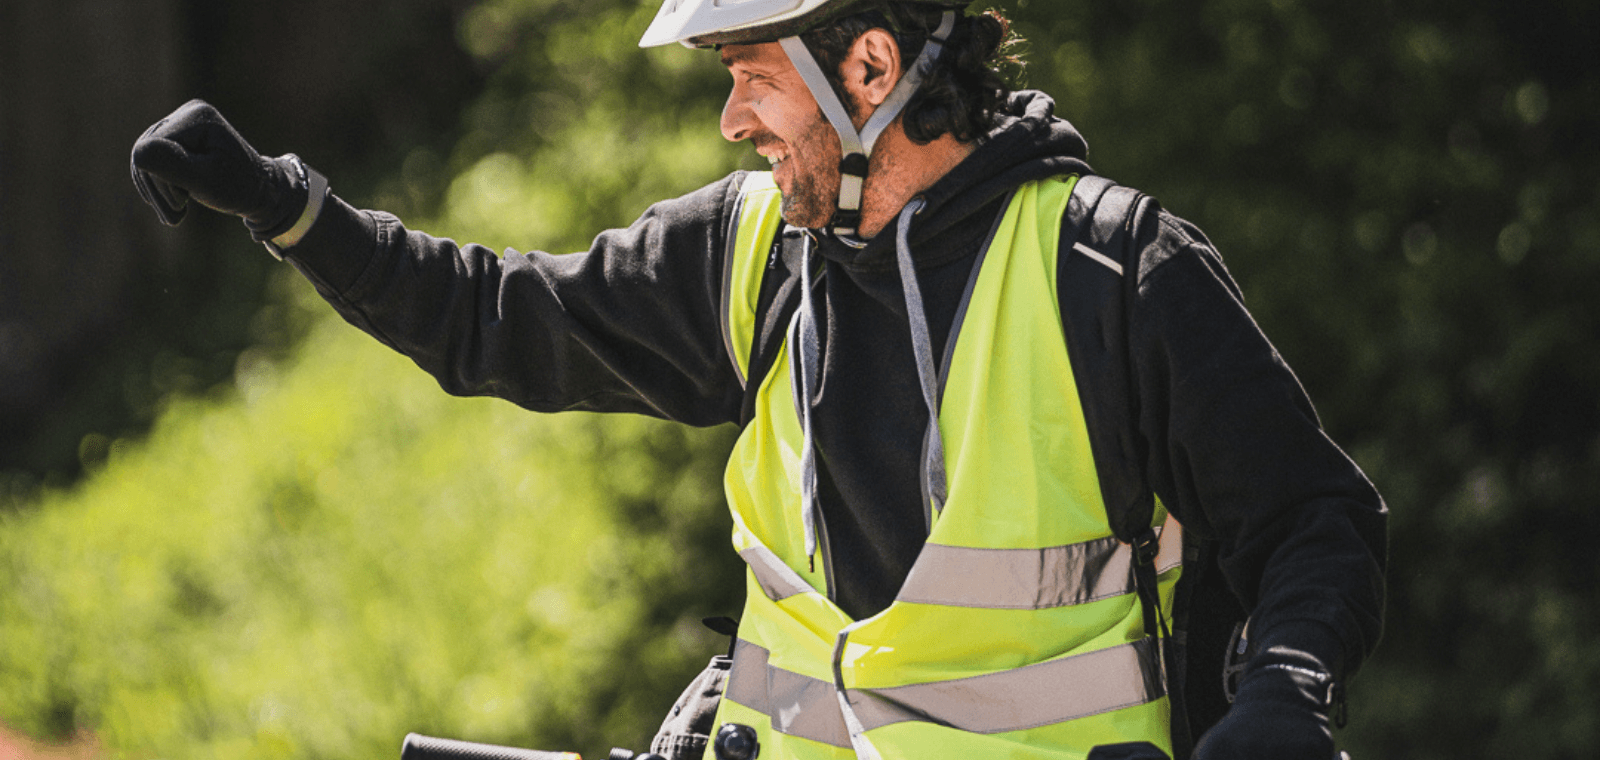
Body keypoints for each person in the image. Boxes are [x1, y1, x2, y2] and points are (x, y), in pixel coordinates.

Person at [130, 2, 1387, 759]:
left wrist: (1284, 691)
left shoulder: (1110, 270)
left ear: (872, 71)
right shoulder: (750, 251)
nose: (731, 120)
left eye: (750, 73)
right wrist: (291, 209)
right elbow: (493, 318)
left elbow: (1314, 525)